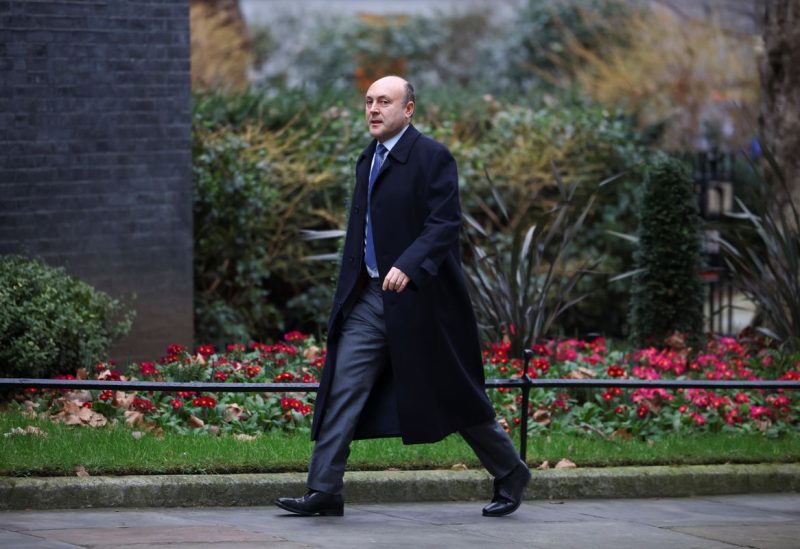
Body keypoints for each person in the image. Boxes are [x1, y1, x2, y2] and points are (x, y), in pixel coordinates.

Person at [274, 75, 530, 518]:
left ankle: (510, 471)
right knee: (344, 388)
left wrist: (408, 266)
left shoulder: (432, 156)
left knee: (454, 394)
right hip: (371, 300)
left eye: (385, 102)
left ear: (408, 109)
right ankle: (325, 489)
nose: (373, 109)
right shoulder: (367, 159)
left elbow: (444, 223)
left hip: (424, 304)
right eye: (369, 101)